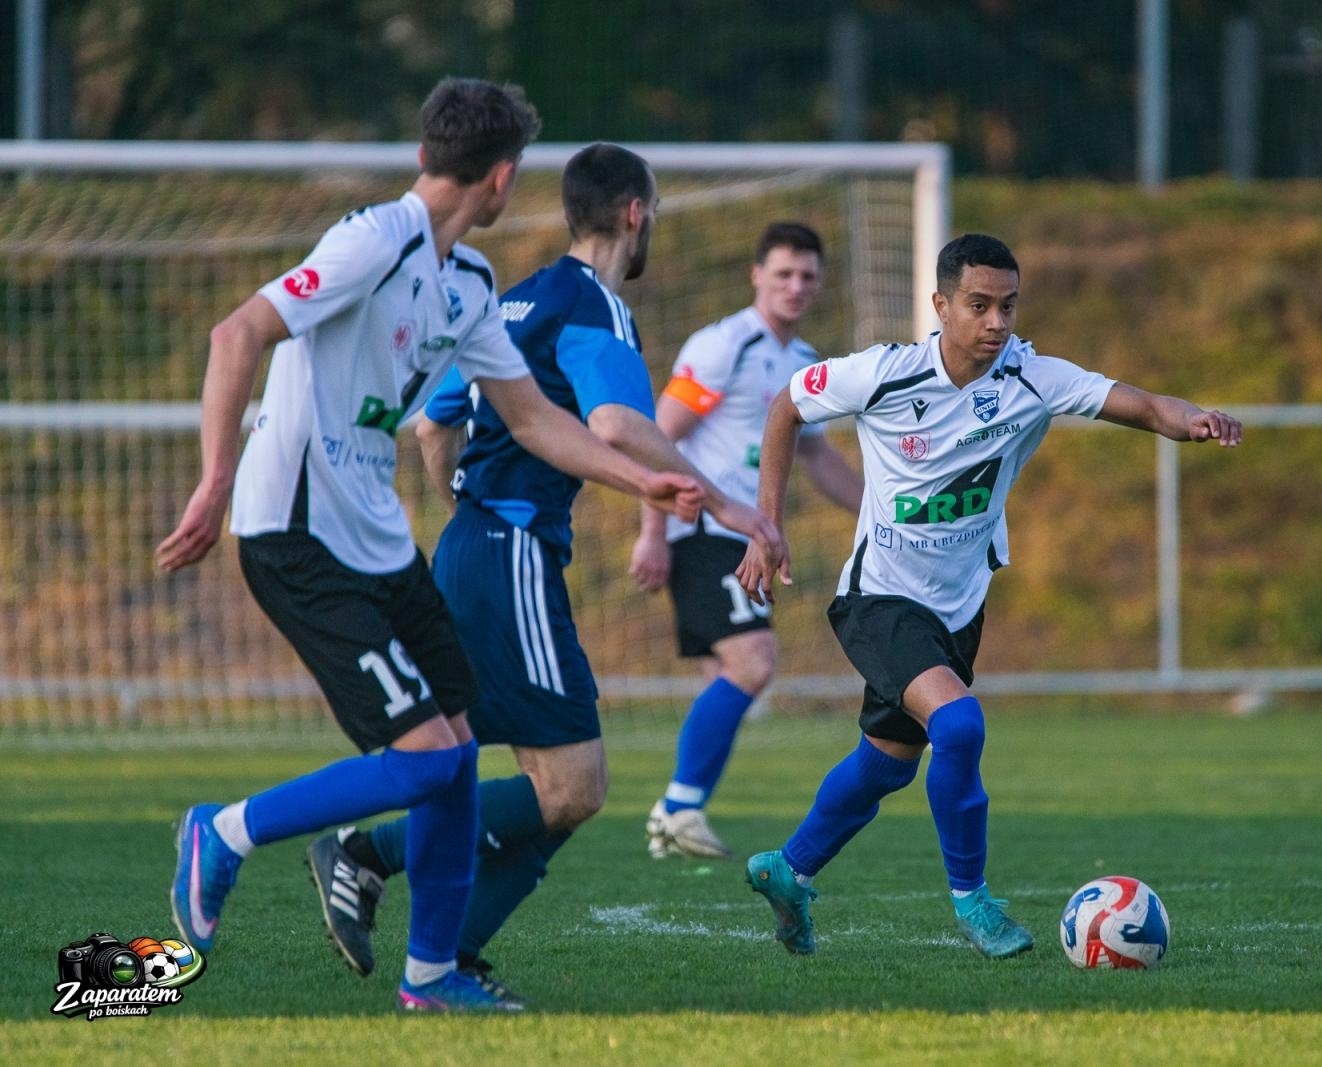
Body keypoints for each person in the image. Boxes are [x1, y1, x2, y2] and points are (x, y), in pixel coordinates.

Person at [155, 81, 701, 1014]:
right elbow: (237, 331)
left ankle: (433, 976)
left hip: (380, 538)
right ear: (500, 177)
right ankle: (225, 832)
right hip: (295, 531)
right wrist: (213, 483)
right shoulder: (373, 240)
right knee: (422, 760)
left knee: (451, 755)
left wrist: (638, 479)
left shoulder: (474, 281)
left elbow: (529, 418)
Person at [309, 143, 777, 1000]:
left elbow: (432, 426)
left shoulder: (514, 296)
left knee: (557, 788)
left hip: (477, 549)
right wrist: (729, 506)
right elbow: (617, 424)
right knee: (572, 783)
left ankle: (449, 954)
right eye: (655, 215)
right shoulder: (594, 305)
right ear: (635, 213)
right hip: (513, 549)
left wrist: (463, 508)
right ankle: (367, 855)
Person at [734, 233, 1241, 957]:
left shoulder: (1034, 377)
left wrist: (1191, 419)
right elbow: (786, 405)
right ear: (941, 305)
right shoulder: (884, 374)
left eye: (1007, 305)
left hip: (957, 610)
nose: (997, 321)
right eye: (979, 305)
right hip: (877, 600)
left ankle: (789, 868)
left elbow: (1145, 404)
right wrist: (766, 524)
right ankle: (973, 900)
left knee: (887, 761)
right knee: (961, 725)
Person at [629, 222, 863, 860]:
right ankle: (677, 811)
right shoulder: (723, 345)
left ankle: (678, 813)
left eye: (808, 275)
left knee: (739, 669)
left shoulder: (805, 362)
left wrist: (883, 511)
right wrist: (653, 531)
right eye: (783, 273)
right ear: (756, 275)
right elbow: (658, 436)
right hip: (701, 526)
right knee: (752, 662)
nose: (796, 285)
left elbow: (816, 458)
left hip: (742, 537)